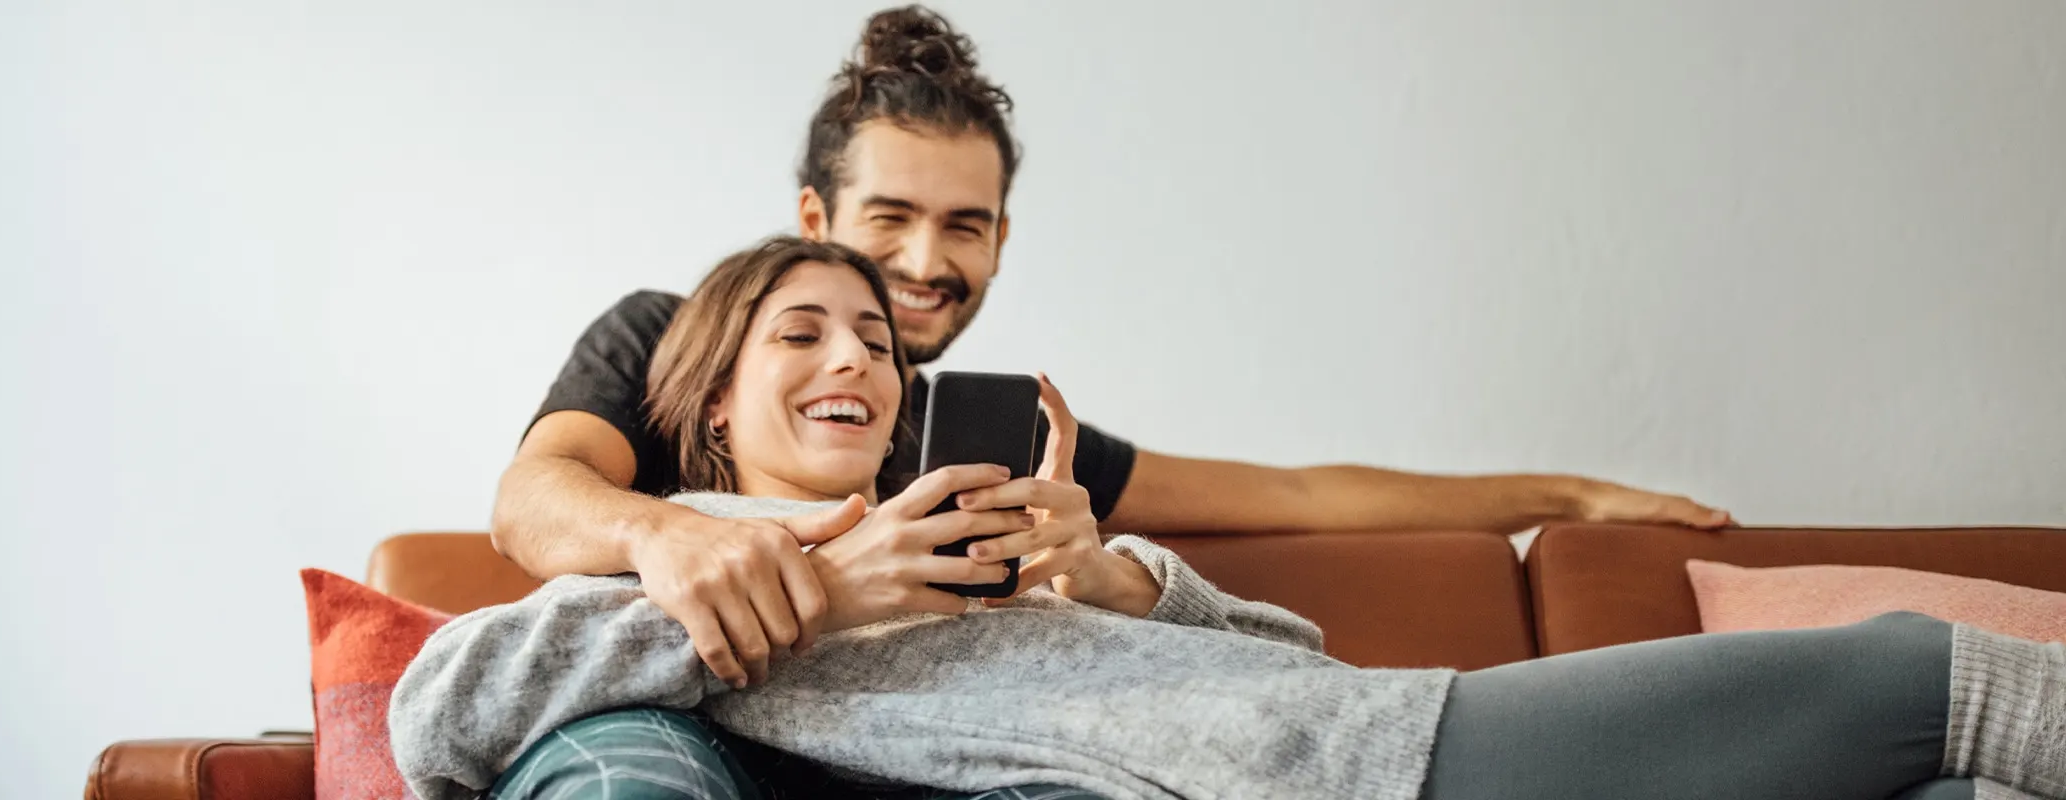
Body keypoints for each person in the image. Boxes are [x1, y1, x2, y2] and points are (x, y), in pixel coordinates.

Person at [392, 237, 2062, 800]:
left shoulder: (1005, 527)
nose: (860, 360)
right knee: (1922, 677)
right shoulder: (694, 566)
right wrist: (822, 586)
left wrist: (1116, 578)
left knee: (1959, 779)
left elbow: (1299, 653)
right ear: (704, 398)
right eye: (804, 332)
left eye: (882, 343)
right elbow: (439, 711)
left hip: (1342, 742)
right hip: (1319, 780)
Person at [496, 4, 1734, 690]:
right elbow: (533, 502)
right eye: (890, 218)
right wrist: (674, 533)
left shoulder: (989, 433)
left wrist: (1566, 494)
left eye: (964, 225)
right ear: (814, 218)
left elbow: (1298, 494)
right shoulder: (669, 338)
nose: (927, 260)